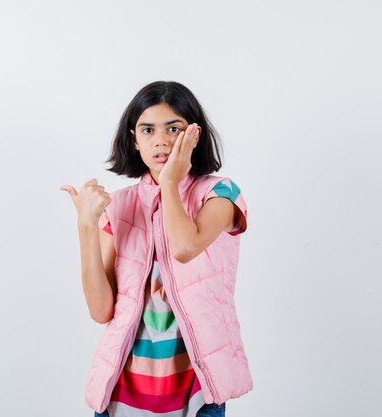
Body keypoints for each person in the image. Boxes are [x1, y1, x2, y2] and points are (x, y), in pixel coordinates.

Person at [61, 81, 253, 417]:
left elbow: (183, 246)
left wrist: (168, 181)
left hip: (196, 390)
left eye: (173, 129)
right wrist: (86, 227)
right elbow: (101, 311)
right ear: (133, 139)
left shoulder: (220, 194)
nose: (161, 140)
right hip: (122, 390)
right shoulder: (119, 207)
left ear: (194, 135)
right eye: (147, 130)